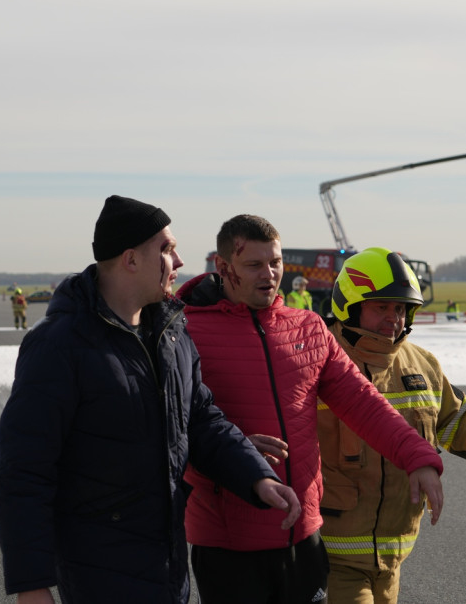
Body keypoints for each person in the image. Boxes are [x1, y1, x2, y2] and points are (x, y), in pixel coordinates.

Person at [0, 196, 301, 604]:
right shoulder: (59, 346)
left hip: (168, 569)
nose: (179, 261)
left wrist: (255, 476)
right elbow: (23, 472)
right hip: (99, 576)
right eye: (167, 249)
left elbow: (201, 419)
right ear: (131, 259)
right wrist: (31, 585)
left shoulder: (171, 333)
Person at [178, 215, 445, 604]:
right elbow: (165, 426)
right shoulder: (183, 332)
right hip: (228, 543)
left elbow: (362, 400)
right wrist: (231, 449)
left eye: (276, 262)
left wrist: (417, 455)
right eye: (254, 265)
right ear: (223, 268)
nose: (269, 274)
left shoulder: (309, 328)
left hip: (302, 536)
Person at [321, 248, 466, 602]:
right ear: (350, 305)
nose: (393, 319)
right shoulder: (318, 361)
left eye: (400, 309)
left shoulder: (422, 364)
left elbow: (455, 422)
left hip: (393, 560)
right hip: (330, 558)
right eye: (381, 307)